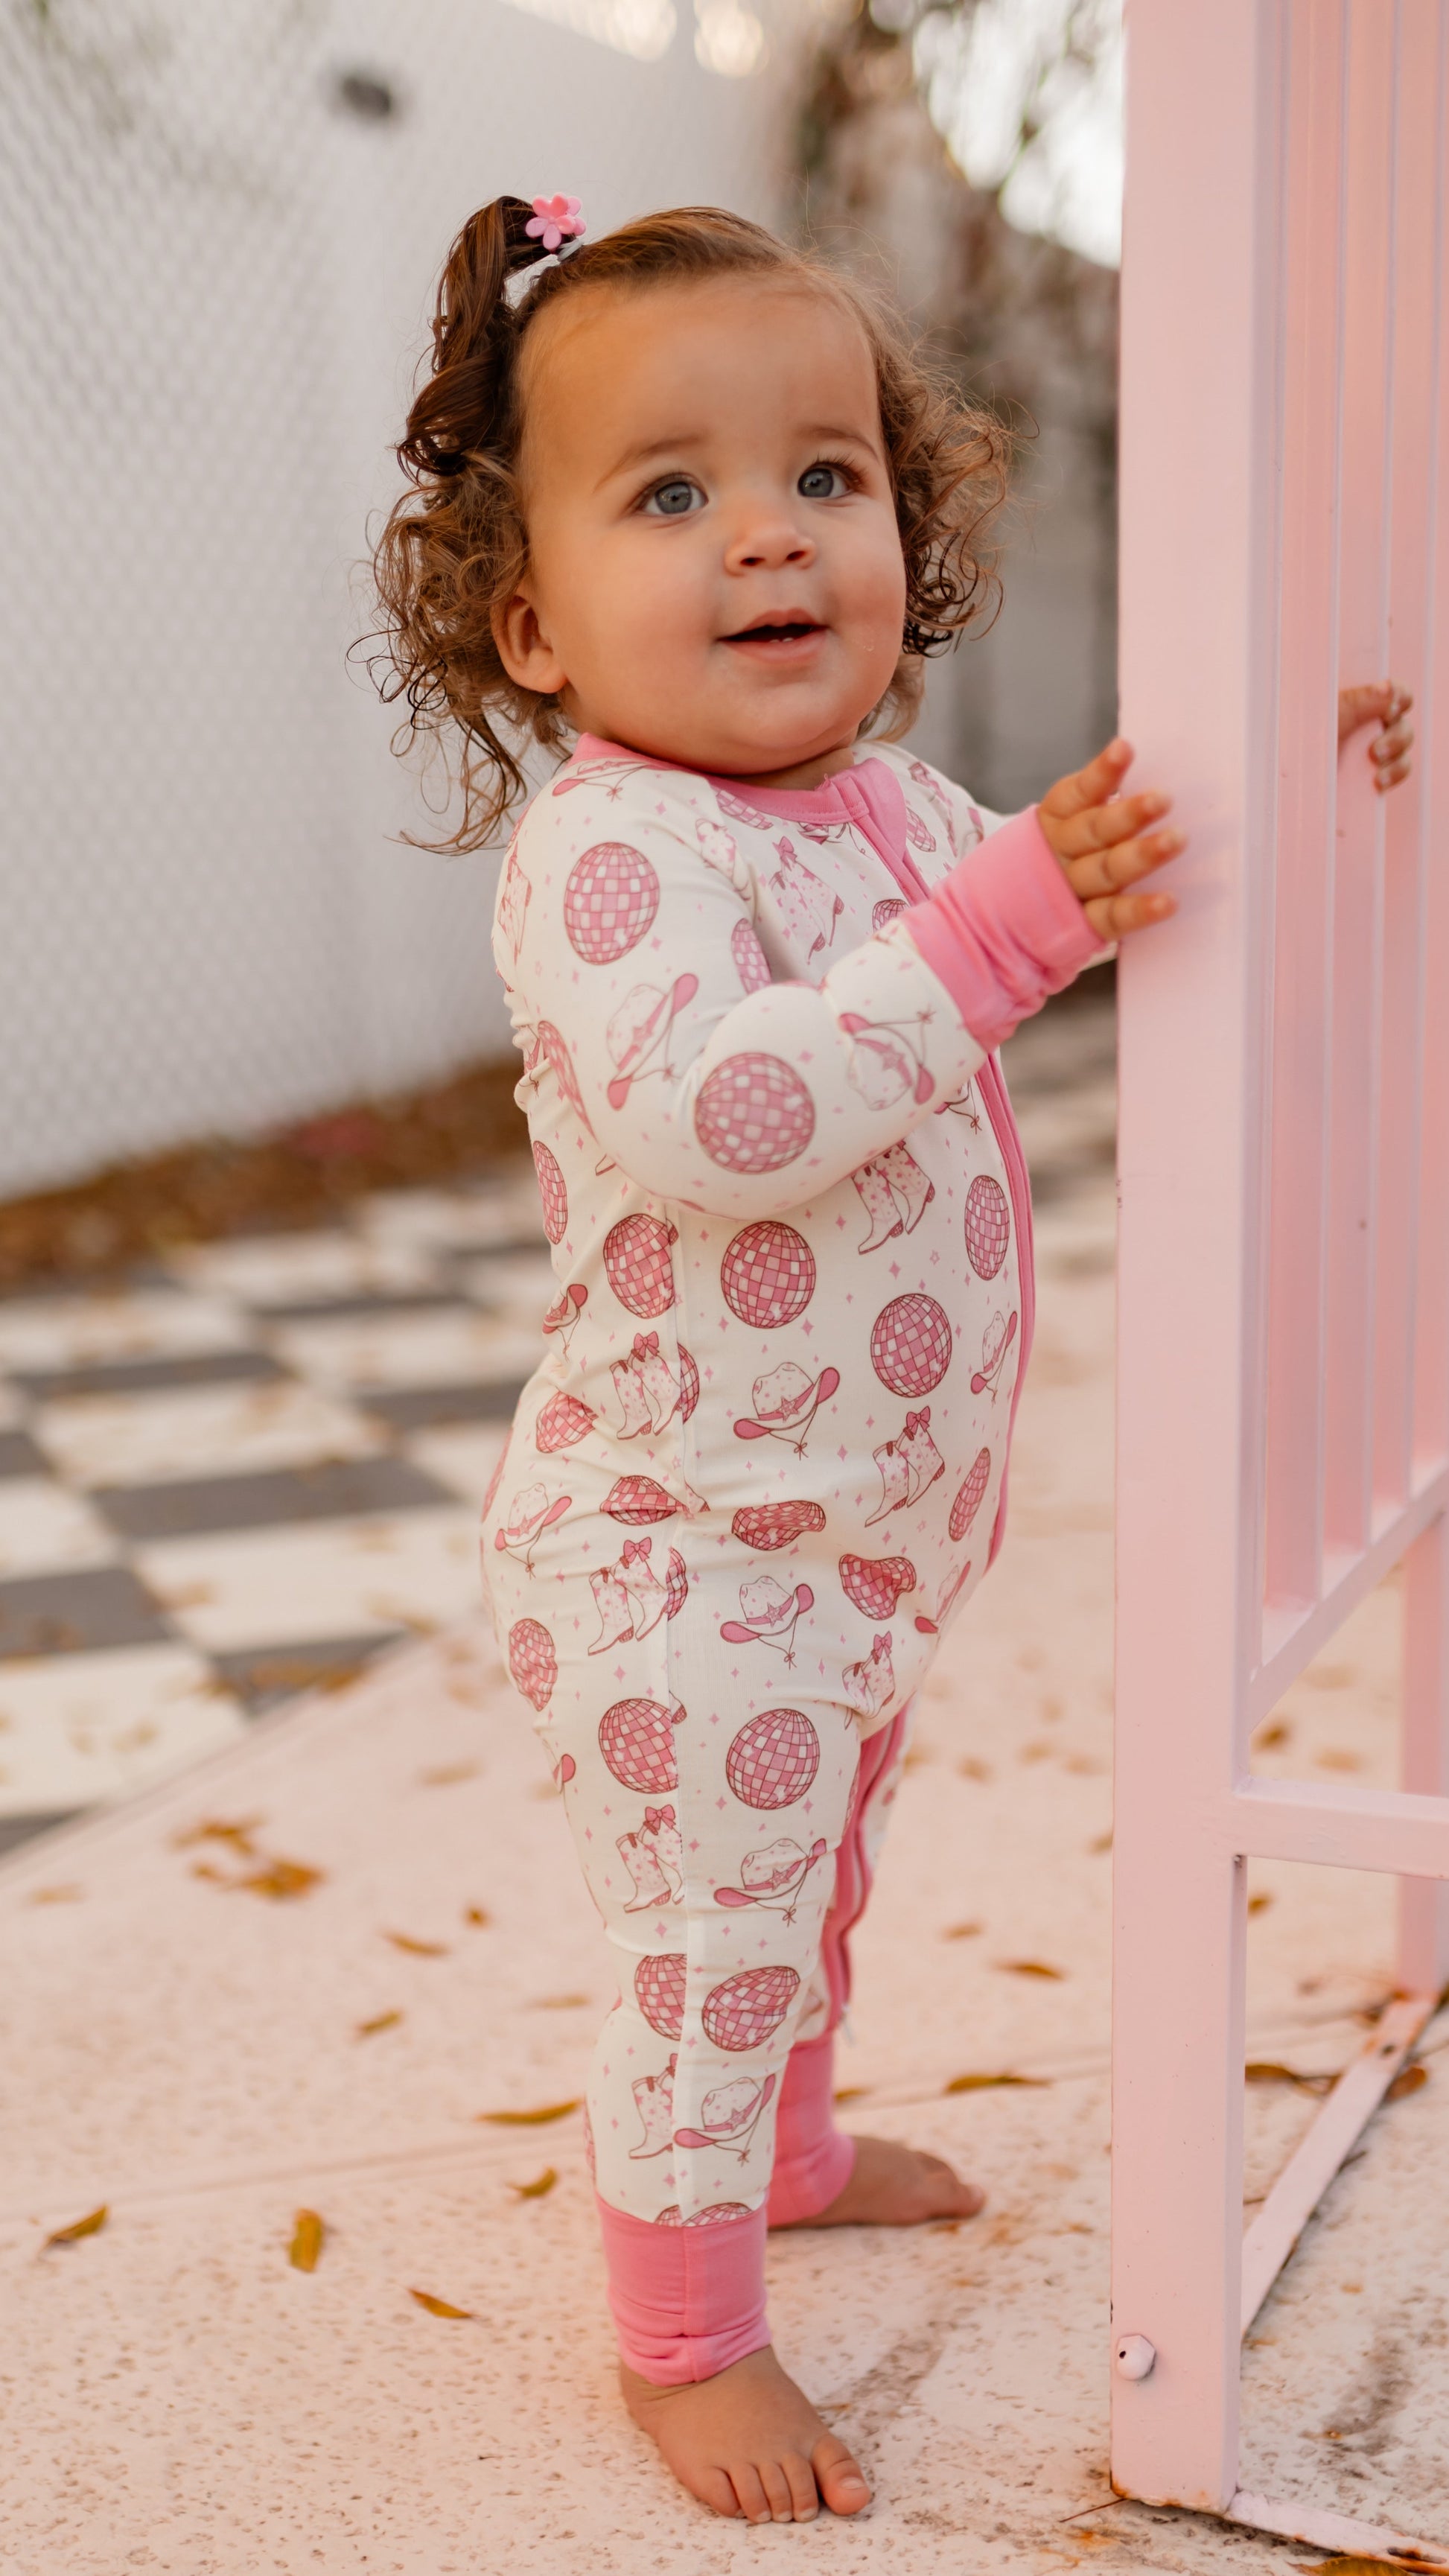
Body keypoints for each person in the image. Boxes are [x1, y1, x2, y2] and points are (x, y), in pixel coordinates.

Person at [372, 192, 1414, 2528]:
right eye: (670, 492)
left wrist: (1310, 770)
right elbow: (720, 1112)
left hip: (845, 1535)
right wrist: (995, 924)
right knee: (712, 1933)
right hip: (674, 1550)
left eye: (822, 474)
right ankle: (685, 2333)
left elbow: (1110, 866)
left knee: (814, 1875)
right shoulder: (614, 854)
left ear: (902, 538)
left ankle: (792, 2146)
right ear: (530, 620)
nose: (766, 533)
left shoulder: (878, 809)